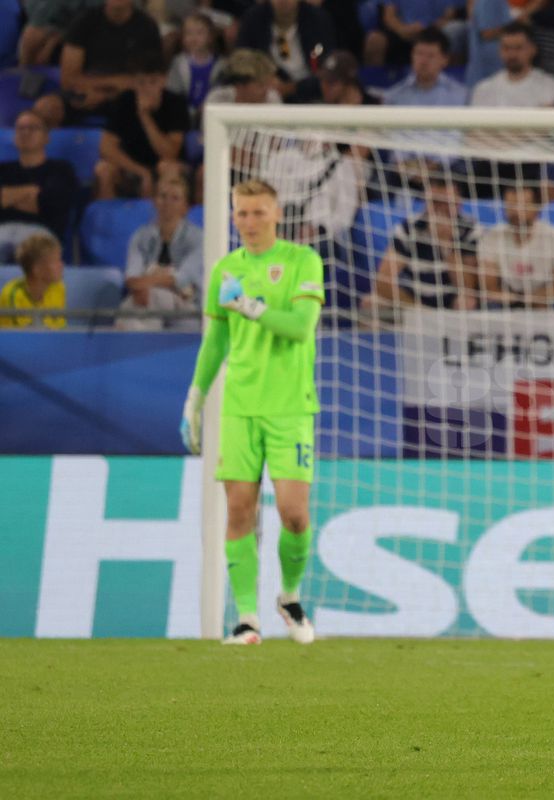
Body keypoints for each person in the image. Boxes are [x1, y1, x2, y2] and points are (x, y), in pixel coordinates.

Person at [179, 179, 323, 646]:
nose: (249, 222)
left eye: (258, 212)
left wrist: (251, 308)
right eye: (241, 213)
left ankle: (289, 595)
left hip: (289, 408)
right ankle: (246, 619)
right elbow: (217, 339)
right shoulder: (225, 270)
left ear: (277, 214)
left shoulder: (303, 261)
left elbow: (301, 328)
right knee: (239, 509)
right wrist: (196, 396)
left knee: (293, 513)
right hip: (240, 407)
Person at [362, 174, 479, 312]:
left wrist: (446, 245)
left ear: (458, 203)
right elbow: (383, 281)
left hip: (451, 305)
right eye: (435, 202)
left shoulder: (470, 231)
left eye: (446, 203)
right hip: (413, 303)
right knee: (371, 302)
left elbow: (468, 287)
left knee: (467, 302)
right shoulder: (409, 228)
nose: (440, 209)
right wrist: (417, 310)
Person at [36, 0, 163, 127]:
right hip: (86, 91)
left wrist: (107, 95)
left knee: (153, 104)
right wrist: (113, 83)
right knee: (46, 107)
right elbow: (68, 80)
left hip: (128, 96)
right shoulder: (84, 21)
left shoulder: (147, 27)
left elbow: (153, 79)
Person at [94, 54, 190, 200]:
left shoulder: (175, 104)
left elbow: (170, 153)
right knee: (104, 169)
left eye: (152, 82)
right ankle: (107, 220)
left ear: (163, 80)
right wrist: (141, 172)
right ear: (133, 83)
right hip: (132, 166)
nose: (146, 88)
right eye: (141, 83)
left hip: (165, 165)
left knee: (167, 168)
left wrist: (145, 117)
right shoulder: (125, 101)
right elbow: (106, 147)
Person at [116, 176, 204, 331]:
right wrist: (142, 285)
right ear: (154, 201)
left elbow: (179, 279)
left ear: (185, 207)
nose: (167, 203)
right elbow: (131, 278)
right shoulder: (141, 236)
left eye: (175, 198)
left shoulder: (198, 239)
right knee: (128, 309)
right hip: (145, 301)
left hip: (188, 310)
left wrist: (145, 284)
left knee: (152, 297)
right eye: (163, 196)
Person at [0, 111, 79, 261]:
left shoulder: (61, 170)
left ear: (46, 137)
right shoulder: (3, 169)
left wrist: (8, 197)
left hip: (41, 233)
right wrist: (30, 191)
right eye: (20, 128)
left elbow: (48, 205)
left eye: (33, 128)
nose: (25, 133)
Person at [478, 185, 554, 307]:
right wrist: (518, 300)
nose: (516, 212)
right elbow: (488, 285)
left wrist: (534, 300)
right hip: (509, 296)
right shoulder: (492, 236)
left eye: (523, 206)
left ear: (537, 208)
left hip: (546, 292)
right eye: (511, 206)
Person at [235, 0, 337, 97]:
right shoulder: (253, 18)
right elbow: (242, 60)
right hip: (267, 91)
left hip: (311, 91)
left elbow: (328, 63)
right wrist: (265, 79)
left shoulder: (318, 19)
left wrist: (294, 87)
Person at [470, 23, 554, 107]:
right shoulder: (483, 89)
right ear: (499, 51)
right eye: (506, 48)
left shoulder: (550, 86)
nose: (512, 54)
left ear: (533, 49)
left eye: (518, 48)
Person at [167, 12, 228, 128]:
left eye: (199, 33)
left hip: (213, 118)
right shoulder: (178, 64)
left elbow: (222, 94)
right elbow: (173, 94)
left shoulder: (222, 66)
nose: (193, 38)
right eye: (188, 33)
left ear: (210, 37)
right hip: (183, 119)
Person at [384, 27, 469, 106]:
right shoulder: (393, 97)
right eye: (419, 54)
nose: (423, 61)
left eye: (430, 56)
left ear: (445, 60)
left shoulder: (461, 96)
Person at [0, 232, 66, 329]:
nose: (61, 265)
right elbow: (23, 340)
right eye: (55, 261)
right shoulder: (12, 295)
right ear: (37, 269)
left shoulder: (58, 288)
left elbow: (61, 331)